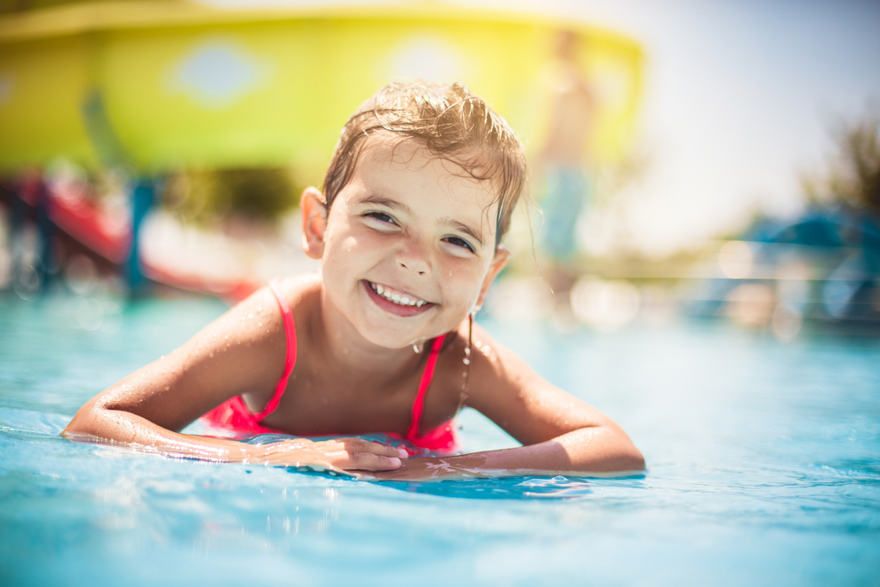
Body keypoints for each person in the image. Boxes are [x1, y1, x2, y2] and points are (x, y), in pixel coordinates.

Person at [62, 81, 643, 481]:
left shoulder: (461, 361)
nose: (416, 260)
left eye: (457, 241)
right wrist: (268, 459)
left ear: (488, 278)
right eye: (384, 217)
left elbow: (613, 448)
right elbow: (97, 422)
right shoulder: (276, 332)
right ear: (316, 227)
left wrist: (445, 468)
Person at [536, 30, 597, 316]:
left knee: (552, 242)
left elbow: (554, 128)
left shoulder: (561, 84)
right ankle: (565, 306)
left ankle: (553, 307)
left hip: (560, 170)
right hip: (580, 171)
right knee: (568, 242)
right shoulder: (588, 88)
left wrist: (535, 164)